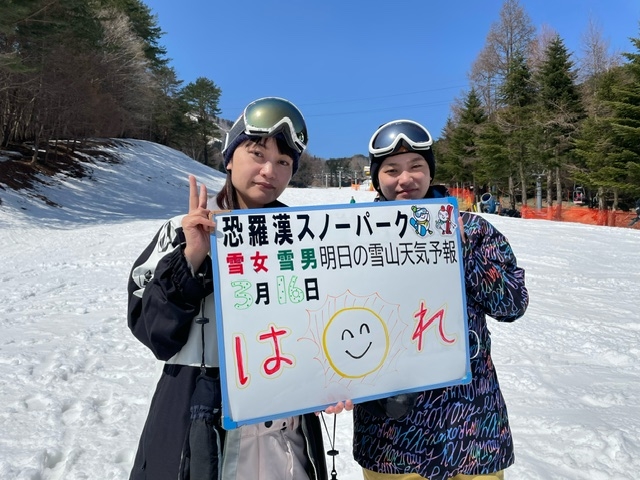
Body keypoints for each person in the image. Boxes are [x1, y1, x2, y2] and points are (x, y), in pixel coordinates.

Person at [127, 97, 327, 480]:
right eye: (256, 154)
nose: (270, 170)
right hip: (196, 424)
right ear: (230, 157)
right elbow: (155, 334)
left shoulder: (305, 239)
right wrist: (193, 259)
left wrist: (339, 376)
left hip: (287, 435)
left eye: (284, 162)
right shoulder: (182, 230)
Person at [350, 119, 529, 479]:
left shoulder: (473, 230)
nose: (405, 179)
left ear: (430, 172)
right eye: (392, 170)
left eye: (417, 166)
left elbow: (512, 304)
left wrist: (464, 253)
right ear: (377, 178)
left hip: (471, 427)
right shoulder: (352, 236)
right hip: (390, 436)